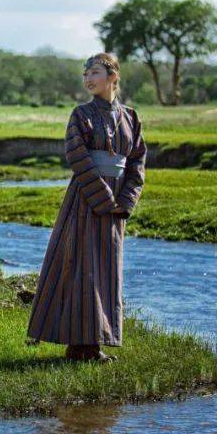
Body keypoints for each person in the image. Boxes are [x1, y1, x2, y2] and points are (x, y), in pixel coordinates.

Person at [25, 52, 146, 362]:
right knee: (81, 267)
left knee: (107, 270)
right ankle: (80, 346)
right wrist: (103, 200)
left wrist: (126, 201)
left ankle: (93, 344)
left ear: (113, 77)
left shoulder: (131, 117)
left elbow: (137, 163)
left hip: (116, 205)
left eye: (94, 72)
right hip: (85, 201)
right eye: (85, 74)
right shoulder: (81, 115)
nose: (88, 79)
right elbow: (77, 158)